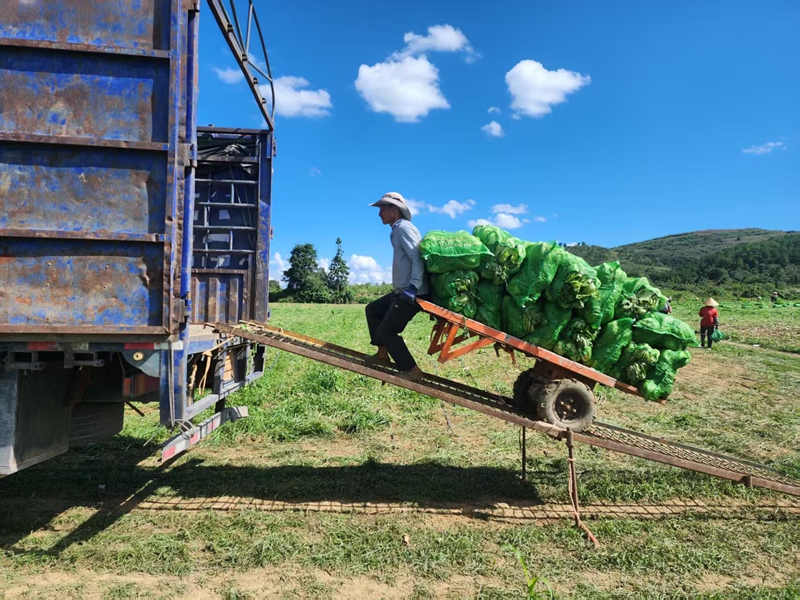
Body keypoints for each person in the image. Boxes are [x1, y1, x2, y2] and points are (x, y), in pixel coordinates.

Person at [365, 192, 430, 376]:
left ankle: (412, 370)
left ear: (394, 209)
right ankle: (382, 355)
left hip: (414, 292)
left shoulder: (404, 228)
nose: (379, 214)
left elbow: (416, 257)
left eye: (382, 209)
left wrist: (414, 287)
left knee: (387, 331)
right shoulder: (397, 230)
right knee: (373, 309)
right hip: (403, 290)